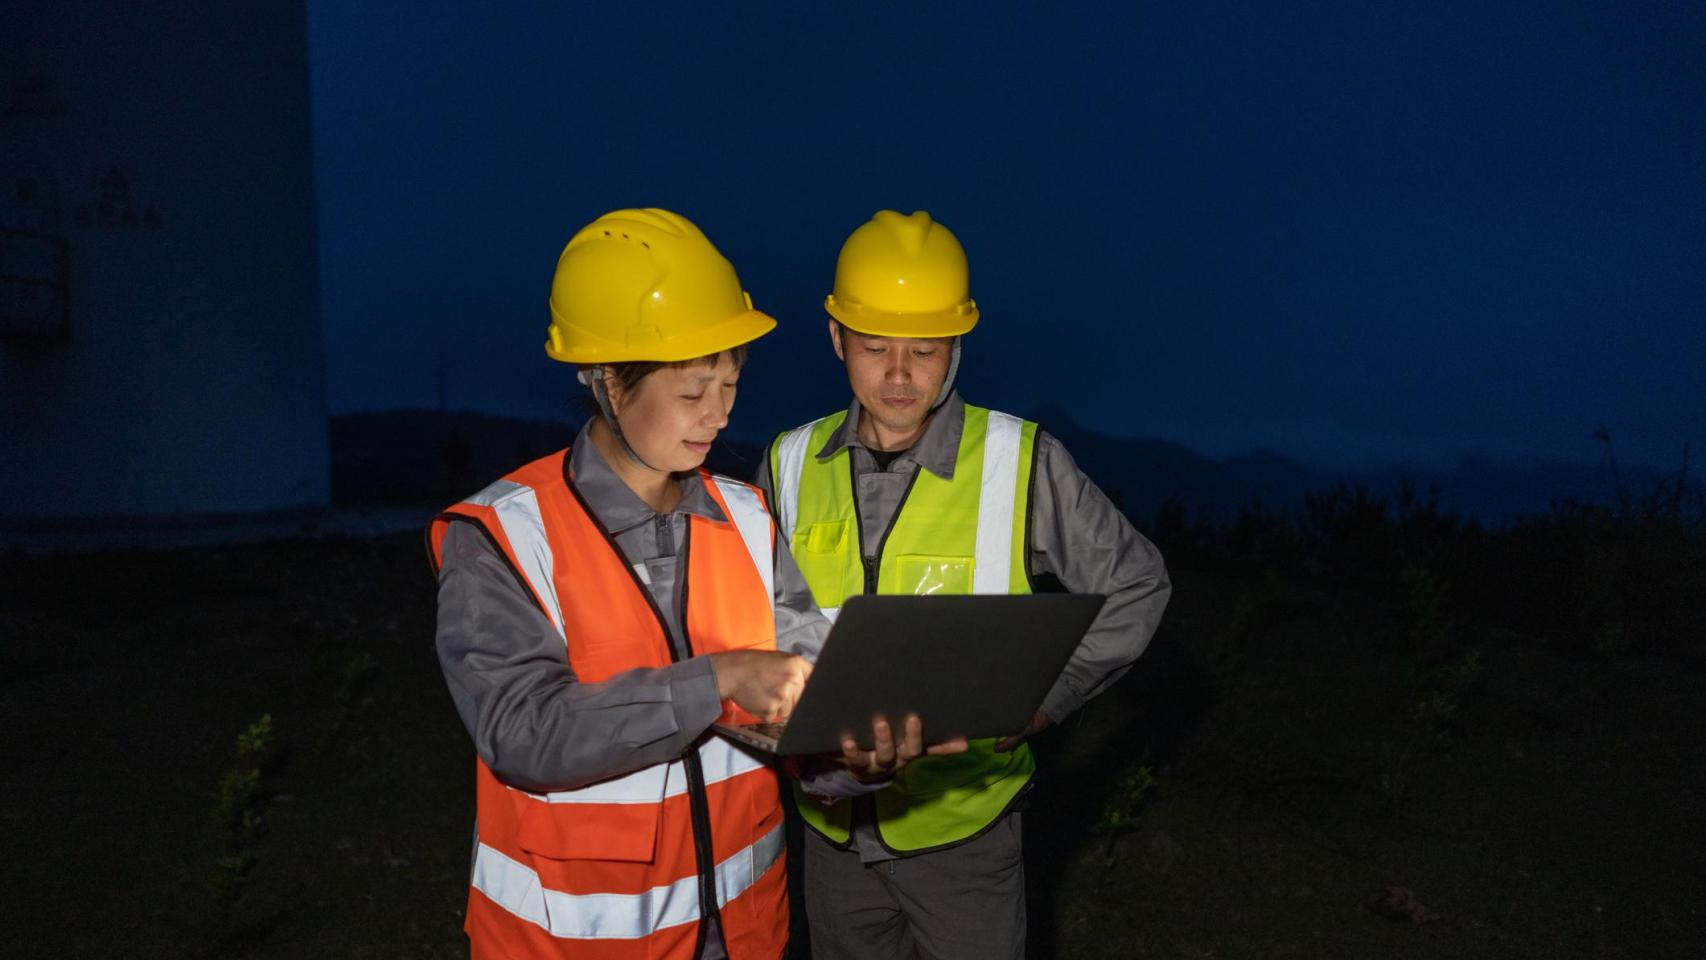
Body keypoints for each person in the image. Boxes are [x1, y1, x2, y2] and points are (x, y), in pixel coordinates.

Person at [756, 209, 1172, 959]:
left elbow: (1137, 585)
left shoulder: (1023, 461)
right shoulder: (786, 463)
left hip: (965, 841)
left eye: (925, 349)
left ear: (957, 345)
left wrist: (1045, 701)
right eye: (874, 347)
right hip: (831, 839)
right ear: (836, 337)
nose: (899, 374)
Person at [428, 208, 828, 959]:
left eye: (731, 383)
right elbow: (524, 731)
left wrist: (857, 754)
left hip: (745, 934)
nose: (721, 413)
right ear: (611, 381)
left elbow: (812, 694)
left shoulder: (748, 518)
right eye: (694, 391)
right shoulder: (503, 538)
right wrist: (716, 679)